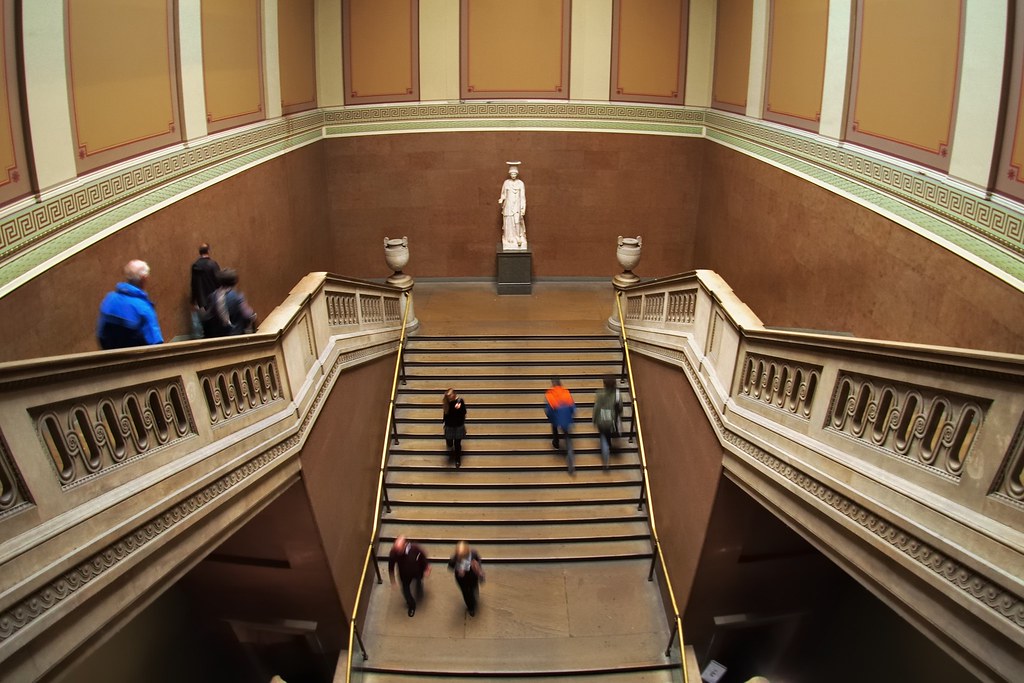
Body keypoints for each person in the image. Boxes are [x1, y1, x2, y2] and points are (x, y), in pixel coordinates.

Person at [96, 259, 164, 349]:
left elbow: (101, 334)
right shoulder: (143, 308)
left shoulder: (109, 299)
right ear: (144, 278)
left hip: (111, 357)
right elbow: (156, 343)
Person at [201, 268, 257, 338]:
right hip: (234, 337)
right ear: (234, 282)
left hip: (214, 337)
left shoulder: (212, 296)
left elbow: (206, 317)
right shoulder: (238, 297)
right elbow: (248, 315)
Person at [388, 535, 431, 617]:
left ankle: (419, 588)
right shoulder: (393, 553)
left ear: (405, 545)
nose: (398, 551)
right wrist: (392, 580)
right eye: (396, 548)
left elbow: (422, 557)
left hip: (416, 572)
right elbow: (391, 566)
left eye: (399, 548)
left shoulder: (414, 549)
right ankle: (411, 605)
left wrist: (426, 567)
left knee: (419, 582)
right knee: (405, 590)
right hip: (404, 574)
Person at [545, 377, 576, 474]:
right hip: (566, 417)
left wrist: (550, 417)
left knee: (554, 427)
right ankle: (570, 456)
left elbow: (548, 410)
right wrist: (570, 415)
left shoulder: (549, 394)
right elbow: (573, 408)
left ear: (553, 384)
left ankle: (556, 442)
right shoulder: (566, 393)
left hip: (555, 417)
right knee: (567, 437)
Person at [592, 376, 623, 470]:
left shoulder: (599, 393)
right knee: (608, 435)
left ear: (604, 383)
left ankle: (605, 460)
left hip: (601, 419)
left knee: (603, 437)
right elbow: (620, 408)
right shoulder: (617, 394)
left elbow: (596, 408)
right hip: (611, 419)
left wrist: (594, 419)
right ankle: (609, 445)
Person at [448, 541, 485, 616]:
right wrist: (458, 571)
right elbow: (450, 567)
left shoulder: (473, 554)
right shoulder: (454, 558)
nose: (461, 558)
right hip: (462, 580)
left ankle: (474, 599)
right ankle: (471, 607)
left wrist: (476, 565)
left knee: (474, 589)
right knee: (466, 594)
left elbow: (479, 561)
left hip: (472, 577)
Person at [190, 243, 220, 337]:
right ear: (208, 251)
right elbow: (218, 281)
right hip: (213, 298)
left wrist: (193, 300)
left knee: (204, 326)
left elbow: (193, 284)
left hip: (201, 301)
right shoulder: (213, 264)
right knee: (215, 325)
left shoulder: (195, 266)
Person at [498, 162, 527, 250]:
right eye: (511, 174)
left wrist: (523, 207)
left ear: (517, 174)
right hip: (508, 205)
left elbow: (522, 196)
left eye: (514, 174)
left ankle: (518, 237)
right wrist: (501, 199)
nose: (513, 175)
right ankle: (509, 238)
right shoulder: (506, 183)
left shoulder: (520, 183)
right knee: (509, 220)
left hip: (517, 205)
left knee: (517, 221)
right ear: (510, 174)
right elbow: (503, 194)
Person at [443, 388, 467, 468]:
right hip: (449, 425)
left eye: (450, 396)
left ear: (454, 394)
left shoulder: (460, 401)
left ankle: (457, 459)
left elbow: (464, 412)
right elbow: (446, 414)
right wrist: (444, 422)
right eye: (448, 396)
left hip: (458, 425)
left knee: (457, 444)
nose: (449, 397)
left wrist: (459, 409)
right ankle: (449, 442)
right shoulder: (446, 402)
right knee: (450, 443)